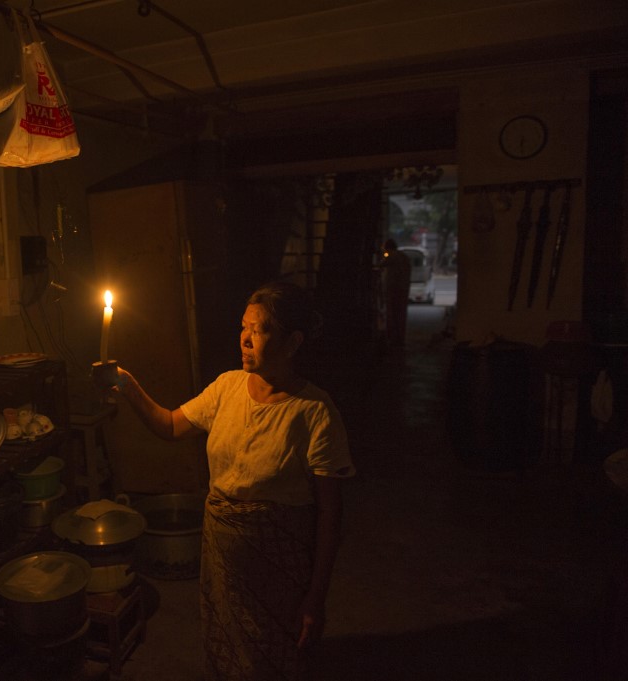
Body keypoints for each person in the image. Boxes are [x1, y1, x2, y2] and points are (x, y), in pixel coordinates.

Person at [95, 279, 355, 681]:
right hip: (221, 557)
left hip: (278, 569)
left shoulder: (315, 412)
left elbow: (330, 516)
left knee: (273, 660)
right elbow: (168, 425)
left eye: (260, 329)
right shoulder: (227, 387)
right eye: (243, 327)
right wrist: (126, 383)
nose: (246, 339)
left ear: (293, 341)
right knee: (226, 656)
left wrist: (315, 598)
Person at [381, 239, 412, 347]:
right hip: (403, 289)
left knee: (391, 315)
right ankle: (400, 339)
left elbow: (382, 264)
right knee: (401, 315)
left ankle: (392, 339)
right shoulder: (404, 257)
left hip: (393, 289)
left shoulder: (391, 256)